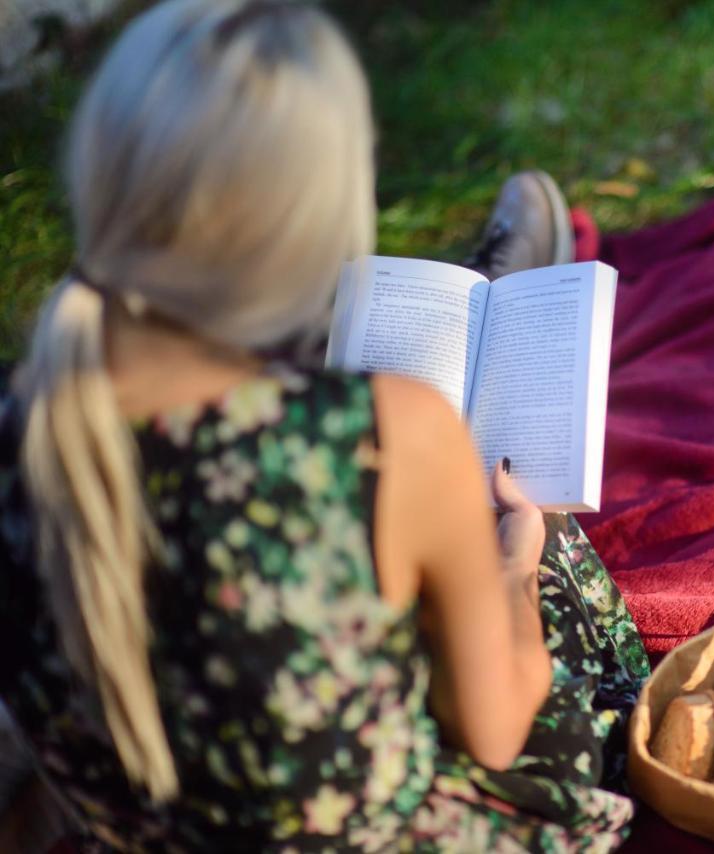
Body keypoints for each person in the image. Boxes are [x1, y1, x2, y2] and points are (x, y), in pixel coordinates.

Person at [0, 0, 650, 850]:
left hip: (140, 827)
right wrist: (516, 571)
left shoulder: (29, 419)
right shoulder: (381, 433)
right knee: (535, 548)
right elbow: (494, 729)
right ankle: (480, 301)